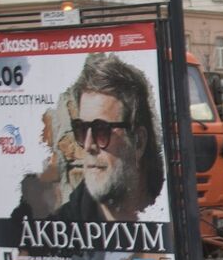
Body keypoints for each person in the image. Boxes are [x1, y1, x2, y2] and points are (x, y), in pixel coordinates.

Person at [53, 53, 165, 224]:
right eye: (82, 129)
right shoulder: (58, 232)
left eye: (101, 130)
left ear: (138, 141)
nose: (89, 145)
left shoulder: (168, 210)